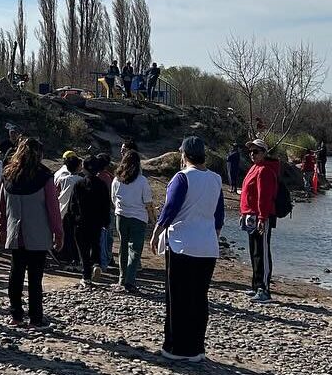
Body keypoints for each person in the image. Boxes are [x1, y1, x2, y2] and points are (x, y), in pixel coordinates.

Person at [150, 136, 225, 363]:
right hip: (207, 246)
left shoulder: (182, 177)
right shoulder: (216, 179)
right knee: (199, 298)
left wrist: (156, 232)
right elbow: (219, 215)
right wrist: (214, 236)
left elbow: (170, 208)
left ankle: (176, 347)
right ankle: (196, 347)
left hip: (183, 244)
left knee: (178, 297)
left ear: (184, 155)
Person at [0, 137, 62, 328]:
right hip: (38, 234)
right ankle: (36, 318)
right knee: (35, 278)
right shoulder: (44, 177)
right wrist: (58, 233)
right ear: (40, 154)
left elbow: (2, 206)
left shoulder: (8, 174)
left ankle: (16, 315)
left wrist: (1, 229)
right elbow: (53, 208)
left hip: (15, 233)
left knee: (15, 275)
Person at [241, 139, 281, 302]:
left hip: (261, 216)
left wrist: (262, 218)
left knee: (262, 252)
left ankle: (264, 289)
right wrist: (244, 213)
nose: (252, 154)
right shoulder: (254, 168)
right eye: (251, 151)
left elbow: (264, 197)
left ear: (264, 153)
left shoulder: (265, 170)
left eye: (256, 151)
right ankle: (256, 285)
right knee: (254, 251)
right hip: (251, 215)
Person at [111, 149, 153, 292]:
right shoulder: (142, 181)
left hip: (121, 216)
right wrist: (153, 219)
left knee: (123, 247)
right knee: (135, 250)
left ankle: (122, 278)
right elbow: (148, 202)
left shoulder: (117, 179)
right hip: (138, 218)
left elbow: (113, 198)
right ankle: (130, 280)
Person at [68, 155, 112, 287]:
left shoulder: (79, 184)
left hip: (81, 221)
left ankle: (86, 276)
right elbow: (106, 205)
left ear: (84, 168)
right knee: (95, 243)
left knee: (83, 249)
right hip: (97, 221)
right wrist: (106, 221)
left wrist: (72, 220)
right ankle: (97, 263)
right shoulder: (102, 184)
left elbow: (72, 205)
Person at [52, 151, 85, 266]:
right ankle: (72, 258)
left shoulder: (61, 177)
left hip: (61, 208)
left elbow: (56, 192)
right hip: (73, 212)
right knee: (72, 236)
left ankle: (60, 254)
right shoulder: (80, 181)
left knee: (64, 234)